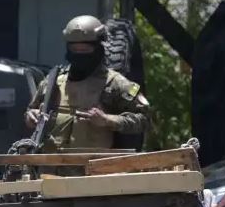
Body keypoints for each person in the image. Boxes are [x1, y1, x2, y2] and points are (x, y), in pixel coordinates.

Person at [24, 15, 150, 151]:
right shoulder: (53, 81)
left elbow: (144, 119)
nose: (79, 56)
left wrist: (108, 120)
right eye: (74, 50)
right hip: (50, 166)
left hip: (94, 168)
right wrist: (31, 116)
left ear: (99, 48)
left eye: (85, 51)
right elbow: (31, 111)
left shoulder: (116, 84)